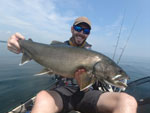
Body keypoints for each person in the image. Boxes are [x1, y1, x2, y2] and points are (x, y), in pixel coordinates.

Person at [7, 17, 137, 113]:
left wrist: (84, 84)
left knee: (128, 101)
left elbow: (88, 87)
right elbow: (28, 47)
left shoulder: (93, 55)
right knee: (42, 97)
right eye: (78, 28)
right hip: (62, 92)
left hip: (87, 94)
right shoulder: (56, 48)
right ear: (72, 29)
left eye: (85, 31)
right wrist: (19, 44)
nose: (81, 33)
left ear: (88, 34)